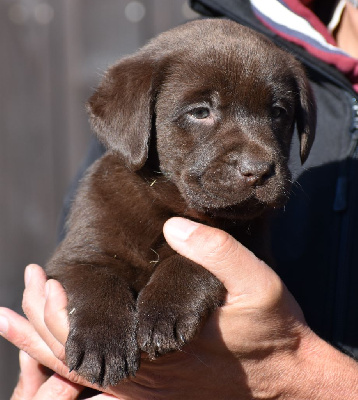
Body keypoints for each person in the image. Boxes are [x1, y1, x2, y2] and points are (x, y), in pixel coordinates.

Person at [1, 0, 358, 398]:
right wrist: (96, 316)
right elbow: (78, 268)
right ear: (139, 121)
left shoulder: (252, 218)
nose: (258, 156)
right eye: (201, 111)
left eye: (276, 113)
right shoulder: (108, 195)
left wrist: (294, 370)